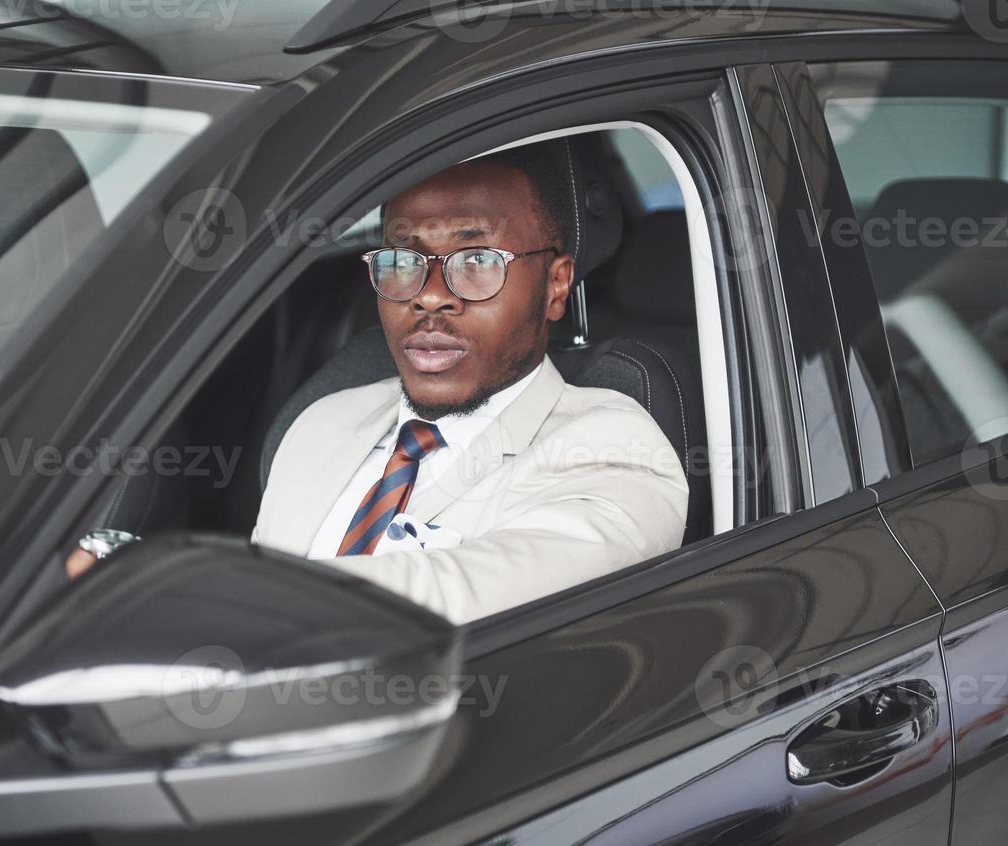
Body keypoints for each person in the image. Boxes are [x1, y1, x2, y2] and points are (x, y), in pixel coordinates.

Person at [71, 141, 687, 624]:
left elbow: (450, 595)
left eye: (477, 261)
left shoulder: (614, 448)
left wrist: (172, 585)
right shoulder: (322, 421)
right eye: (402, 259)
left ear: (556, 285)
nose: (430, 297)